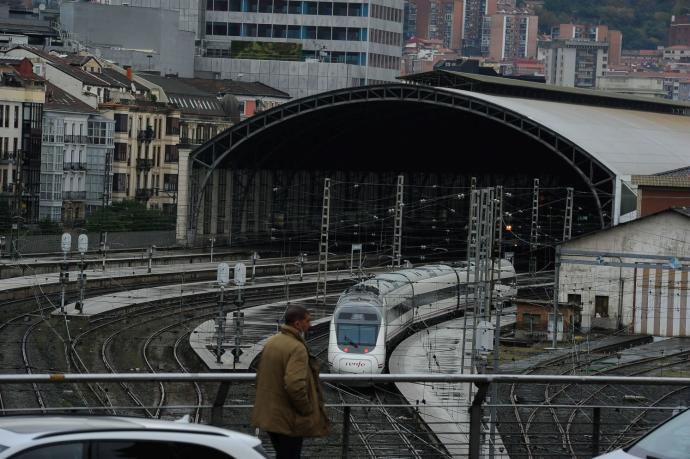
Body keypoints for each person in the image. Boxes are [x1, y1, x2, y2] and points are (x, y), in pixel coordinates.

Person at [251, 305, 330, 458]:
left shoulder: (272, 342)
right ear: (297, 323)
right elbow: (295, 384)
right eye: (307, 321)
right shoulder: (297, 348)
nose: (311, 325)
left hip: (270, 415)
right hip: (288, 418)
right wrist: (306, 409)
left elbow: (260, 376)